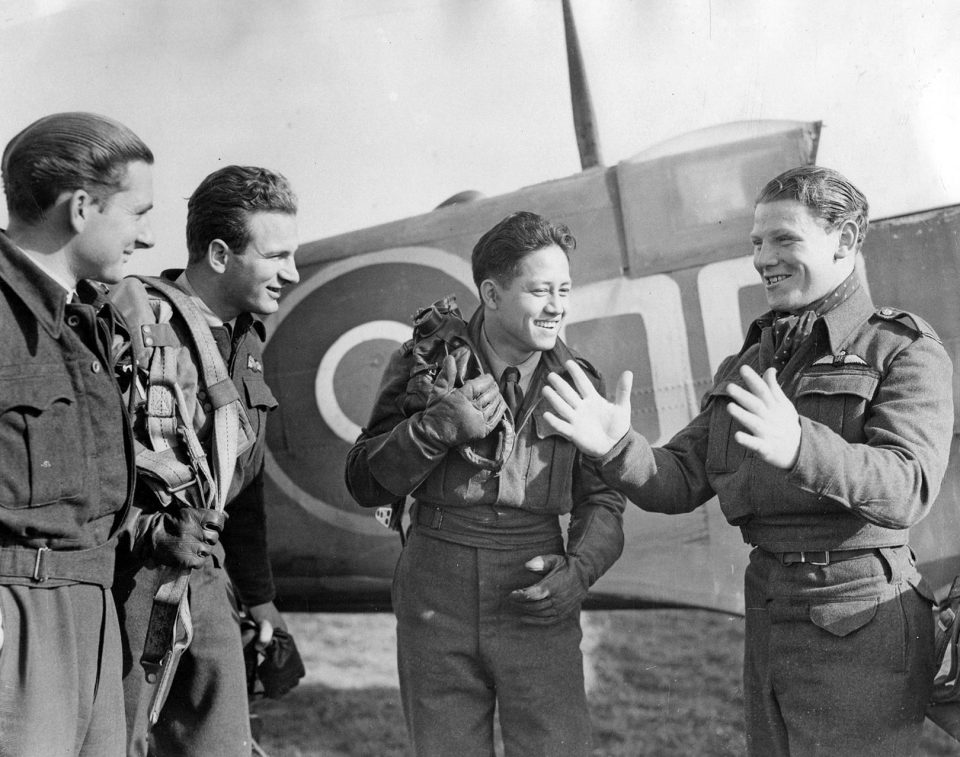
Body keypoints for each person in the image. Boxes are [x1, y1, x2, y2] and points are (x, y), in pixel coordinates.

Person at [540, 166, 954, 755]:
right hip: (770, 607)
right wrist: (617, 448)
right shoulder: (755, 358)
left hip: (861, 620)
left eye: (785, 239)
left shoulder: (903, 349)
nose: (763, 258)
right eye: (757, 242)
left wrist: (800, 446)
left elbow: (907, 485)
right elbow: (681, 480)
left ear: (846, 238)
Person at [345, 211, 627, 756]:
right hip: (436, 586)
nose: (557, 306)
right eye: (540, 290)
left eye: (564, 289)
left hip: (535, 586)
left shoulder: (577, 382)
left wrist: (580, 573)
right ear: (492, 294)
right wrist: (434, 429)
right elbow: (363, 481)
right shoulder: (424, 365)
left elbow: (604, 499)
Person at [110, 165, 300, 757]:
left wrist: (262, 599)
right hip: (129, 584)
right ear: (219, 254)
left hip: (206, 580)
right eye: (276, 256)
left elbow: (238, 488)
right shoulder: (136, 327)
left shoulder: (247, 340)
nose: (291, 273)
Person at [0, 112, 154, 755]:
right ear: (84, 207)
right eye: (138, 213)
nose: (145, 238)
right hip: (17, 616)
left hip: (91, 607)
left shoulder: (83, 319)